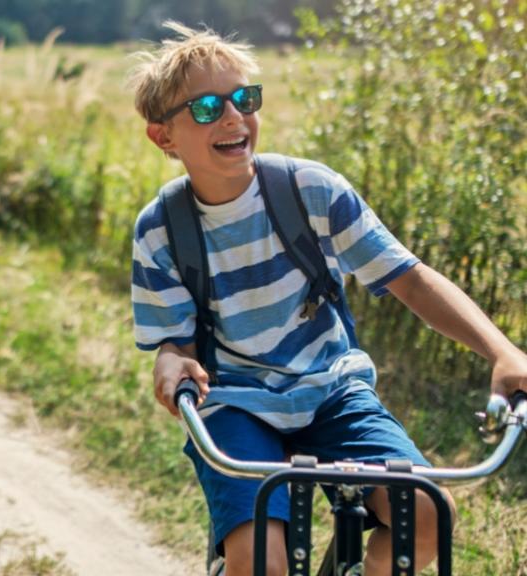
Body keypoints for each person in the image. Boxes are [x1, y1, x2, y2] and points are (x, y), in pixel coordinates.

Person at [128, 22, 527, 576]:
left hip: (331, 389)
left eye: (245, 98)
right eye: (205, 108)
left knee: (428, 514)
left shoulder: (311, 191)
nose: (232, 116)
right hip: (236, 402)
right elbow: (174, 342)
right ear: (163, 136)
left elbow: (409, 278)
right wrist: (171, 364)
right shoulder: (161, 229)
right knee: (260, 564)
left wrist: (502, 351)